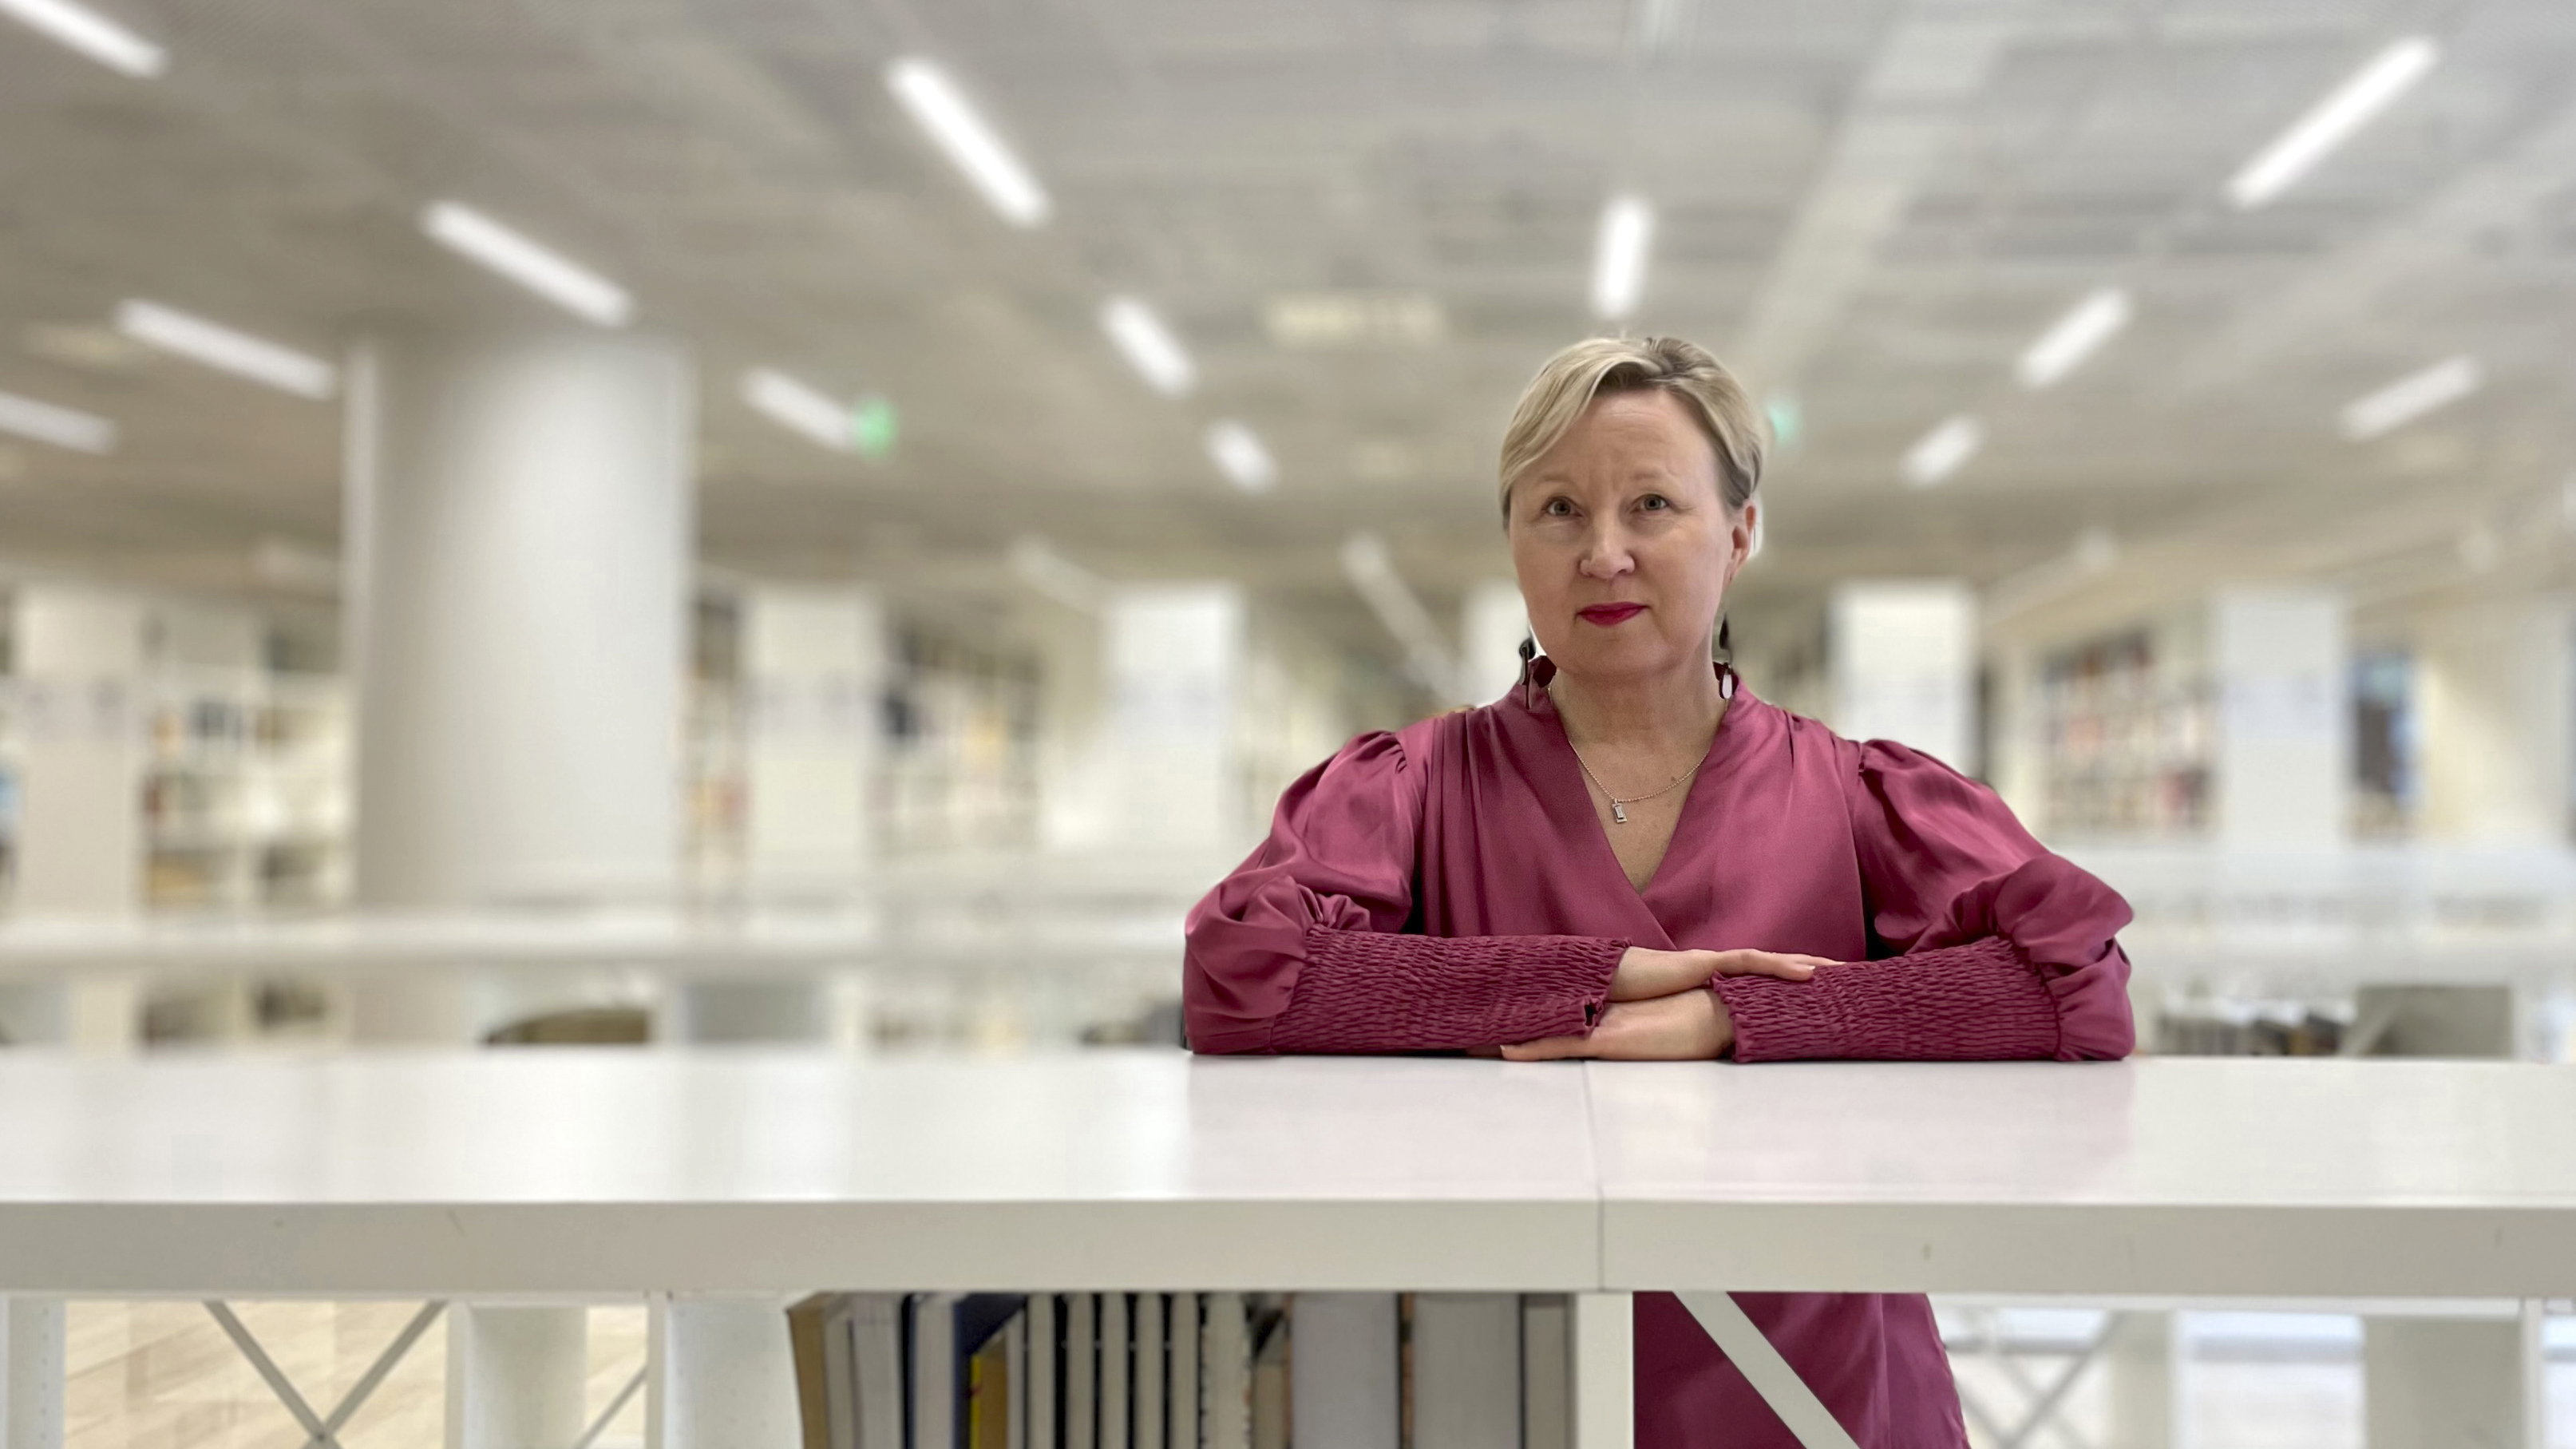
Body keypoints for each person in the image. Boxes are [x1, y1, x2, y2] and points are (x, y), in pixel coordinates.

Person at [1181, 335, 2135, 1446]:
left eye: (1651, 506)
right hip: (1517, 1386)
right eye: (1558, 510)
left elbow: (2077, 985)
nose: (1604, 554)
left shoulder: (1857, 792)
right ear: (1512, 539)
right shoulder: (1418, 784)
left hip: (1822, 1389)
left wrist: (1744, 1016)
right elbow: (1240, 978)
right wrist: (1589, 979)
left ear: (1740, 533)